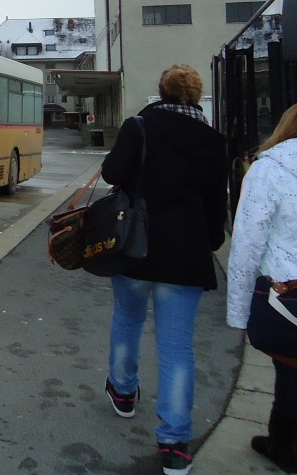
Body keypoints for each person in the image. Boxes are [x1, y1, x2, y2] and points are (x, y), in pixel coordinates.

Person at [99, 64, 228, 475]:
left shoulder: (140, 126)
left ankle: (123, 392)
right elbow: (215, 206)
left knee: (127, 319)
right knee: (177, 348)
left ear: (162, 92)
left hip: (136, 248)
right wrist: (207, 243)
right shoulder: (212, 140)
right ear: (195, 95)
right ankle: (174, 444)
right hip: (186, 255)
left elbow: (111, 174)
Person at [227, 103, 297, 472]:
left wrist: (240, 313)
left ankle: (284, 447)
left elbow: (247, 244)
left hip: (287, 295)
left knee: (290, 373)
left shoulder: (268, 169)